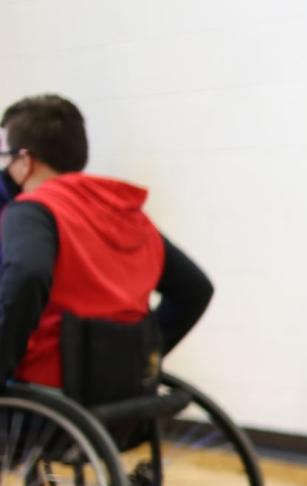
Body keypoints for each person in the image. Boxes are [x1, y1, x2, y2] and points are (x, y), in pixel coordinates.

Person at [0, 94, 212, 387]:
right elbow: (195, 289)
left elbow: (28, 275)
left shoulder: (33, 211)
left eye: (5, 157)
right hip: (123, 390)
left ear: (24, 161)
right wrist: (145, 354)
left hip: (52, 388)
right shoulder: (125, 211)